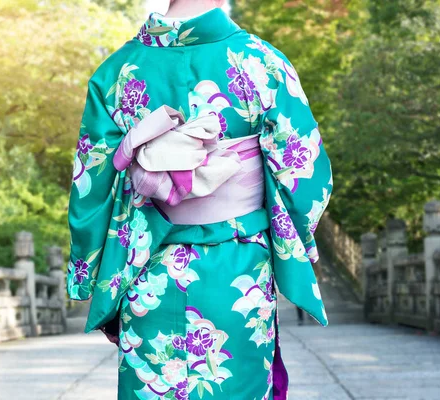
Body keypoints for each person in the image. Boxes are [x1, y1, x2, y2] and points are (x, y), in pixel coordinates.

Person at [66, 0, 333, 398]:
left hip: (146, 269)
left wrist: (89, 275)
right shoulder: (262, 63)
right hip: (240, 270)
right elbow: (305, 179)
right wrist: (299, 247)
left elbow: (90, 190)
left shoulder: (115, 72)